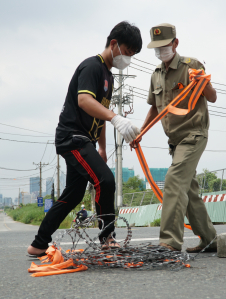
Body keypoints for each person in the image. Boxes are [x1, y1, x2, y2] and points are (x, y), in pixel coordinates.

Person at [27, 21, 142, 256]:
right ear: (113, 44)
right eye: (127, 53)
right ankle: (107, 238)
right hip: (73, 138)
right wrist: (116, 118)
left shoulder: (108, 76)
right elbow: (84, 102)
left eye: (132, 56)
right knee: (105, 180)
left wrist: (101, 148)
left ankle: (38, 244)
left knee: (73, 195)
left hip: (85, 140)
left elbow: (97, 114)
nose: (127, 59)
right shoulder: (92, 67)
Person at [140, 23, 218, 253]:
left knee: (173, 180)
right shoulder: (156, 75)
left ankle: (170, 242)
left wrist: (203, 82)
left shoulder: (191, 66)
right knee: (189, 190)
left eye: (165, 46)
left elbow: (212, 98)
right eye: (157, 47)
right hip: (175, 142)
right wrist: (141, 133)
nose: (161, 51)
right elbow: (155, 109)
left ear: (175, 43)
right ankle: (210, 240)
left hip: (194, 135)